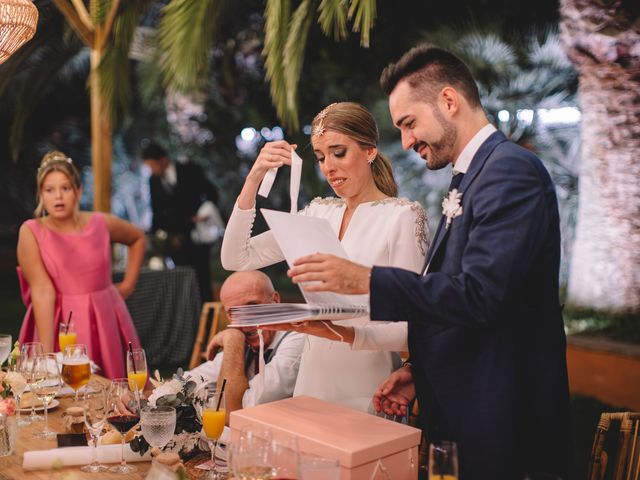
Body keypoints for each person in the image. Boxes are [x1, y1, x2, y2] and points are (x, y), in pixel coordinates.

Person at [286, 45, 574, 479]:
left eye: (408, 123)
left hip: (503, 413)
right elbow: (456, 294)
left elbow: (479, 294)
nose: (405, 141)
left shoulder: (510, 172)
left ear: (448, 102)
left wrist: (365, 279)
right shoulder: (472, 176)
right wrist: (417, 369)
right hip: (466, 408)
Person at [220, 101, 428, 412]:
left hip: (368, 381)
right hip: (312, 379)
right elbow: (236, 258)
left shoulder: (402, 217)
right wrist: (254, 179)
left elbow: (415, 330)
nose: (328, 166)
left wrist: (343, 332)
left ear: (369, 150)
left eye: (338, 152)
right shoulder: (318, 213)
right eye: (320, 157)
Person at [17, 151, 145, 379]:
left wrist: (127, 285)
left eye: (65, 188)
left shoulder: (100, 223)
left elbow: (137, 238)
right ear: (40, 195)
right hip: (62, 324)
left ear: (78, 191)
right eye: (49, 190)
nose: (58, 196)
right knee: (67, 390)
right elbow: (43, 291)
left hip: (105, 317)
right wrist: (47, 357)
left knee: (114, 388)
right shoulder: (31, 232)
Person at [188, 270, 304, 418]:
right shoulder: (243, 340)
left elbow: (234, 412)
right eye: (235, 312)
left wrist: (232, 341)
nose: (246, 321)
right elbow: (187, 383)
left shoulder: (297, 340)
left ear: (275, 301)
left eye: (252, 306)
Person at [141, 141, 220, 303]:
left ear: (162, 160)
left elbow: (212, 193)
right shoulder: (153, 181)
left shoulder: (189, 170)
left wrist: (203, 213)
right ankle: (188, 320)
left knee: (202, 279)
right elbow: (156, 210)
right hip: (175, 240)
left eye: (152, 165)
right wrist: (155, 235)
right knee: (182, 281)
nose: (151, 170)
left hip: (196, 235)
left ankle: (208, 319)